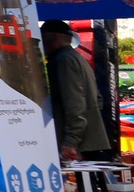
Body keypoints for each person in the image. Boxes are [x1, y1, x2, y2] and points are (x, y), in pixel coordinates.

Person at [43, 20, 113, 163]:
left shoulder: (64, 60)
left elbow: (74, 102)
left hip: (80, 145)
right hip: (88, 140)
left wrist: (70, 141)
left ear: (53, 37)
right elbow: (97, 99)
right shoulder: (75, 57)